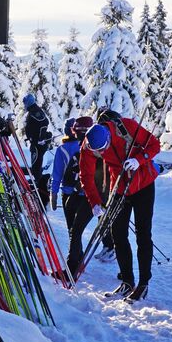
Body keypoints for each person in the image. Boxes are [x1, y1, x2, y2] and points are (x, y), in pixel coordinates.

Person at [80, 109, 161, 302]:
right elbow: (86, 175)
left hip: (143, 183)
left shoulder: (127, 127)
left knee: (143, 234)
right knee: (118, 234)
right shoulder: (89, 145)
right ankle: (127, 281)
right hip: (119, 188)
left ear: (108, 137)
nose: (100, 153)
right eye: (96, 151)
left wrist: (139, 160)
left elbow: (155, 145)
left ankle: (143, 284)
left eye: (102, 149)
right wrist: (94, 202)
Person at [50, 116, 95, 278]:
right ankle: (78, 261)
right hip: (87, 194)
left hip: (69, 193)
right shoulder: (92, 145)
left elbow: (57, 173)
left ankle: (72, 266)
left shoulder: (62, 149)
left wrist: (53, 193)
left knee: (73, 231)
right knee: (76, 231)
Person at [21, 94, 51, 205]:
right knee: (35, 167)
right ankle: (39, 187)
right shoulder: (33, 111)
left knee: (36, 167)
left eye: (25, 103)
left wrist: (40, 137)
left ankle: (40, 190)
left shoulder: (35, 111)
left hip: (38, 145)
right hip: (36, 143)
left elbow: (44, 123)